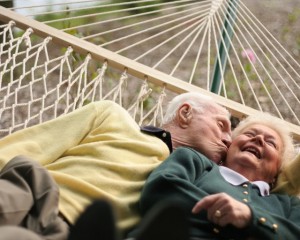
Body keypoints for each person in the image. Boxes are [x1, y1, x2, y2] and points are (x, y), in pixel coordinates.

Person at [0, 92, 232, 239]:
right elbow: (27, 147)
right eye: (221, 124)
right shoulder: (111, 116)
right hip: (30, 194)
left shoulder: (190, 182)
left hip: (80, 232)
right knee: (26, 170)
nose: (228, 140)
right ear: (185, 113)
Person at [136, 113, 300, 240]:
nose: (258, 139)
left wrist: (251, 218)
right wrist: (242, 227)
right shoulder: (195, 162)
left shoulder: (288, 205)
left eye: (270, 143)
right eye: (250, 134)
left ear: (277, 170)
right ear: (229, 147)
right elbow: (161, 190)